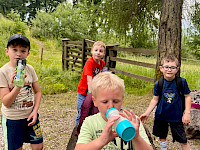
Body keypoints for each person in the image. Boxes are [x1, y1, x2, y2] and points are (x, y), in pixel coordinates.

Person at [75, 72, 153, 150]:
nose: (111, 106)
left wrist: (136, 137)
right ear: (94, 101)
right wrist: (102, 141)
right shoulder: (90, 122)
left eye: (116, 101)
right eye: (105, 102)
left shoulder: (133, 121)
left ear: (122, 99)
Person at [0, 34, 43, 150]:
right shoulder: (3, 72)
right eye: (14, 50)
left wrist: (35, 111)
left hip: (30, 116)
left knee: (38, 146)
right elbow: (6, 102)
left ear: (27, 53)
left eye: (23, 50)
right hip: (12, 119)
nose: (18, 54)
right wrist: (18, 85)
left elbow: (38, 92)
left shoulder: (30, 69)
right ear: (7, 51)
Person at [140, 55, 191, 150]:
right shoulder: (158, 84)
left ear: (177, 69)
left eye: (172, 67)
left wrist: (187, 113)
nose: (169, 70)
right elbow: (155, 99)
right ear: (161, 68)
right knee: (162, 137)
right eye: (166, 67)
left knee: (183, 140)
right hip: (161, 115)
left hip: (176, 116)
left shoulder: (181, 82)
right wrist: (147, 113)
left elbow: (187, 96)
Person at [75, 41, 106, 126]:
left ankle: (90, 128)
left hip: (94, 91)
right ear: (92, 51)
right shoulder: (90, 62)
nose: (98, 53)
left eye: (101, 51)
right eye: (96, 50)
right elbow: (89, 80)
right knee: (81, 112)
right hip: (83, 91)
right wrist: (90, 94)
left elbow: (101, 77)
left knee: (92, 111)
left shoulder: (102, 63)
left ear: (104, 54)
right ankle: (77, 130)